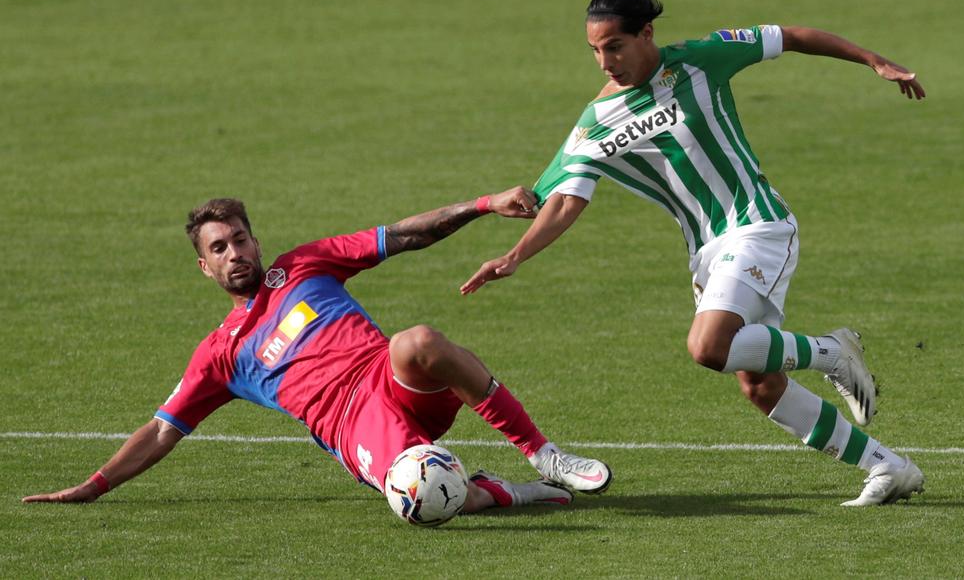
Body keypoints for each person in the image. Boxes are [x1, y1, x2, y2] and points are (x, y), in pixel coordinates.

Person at [461, 0, 926, 506]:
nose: (605, 62)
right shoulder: (594, 125)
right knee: (760, 385)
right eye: (595, 50)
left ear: (646, 33)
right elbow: (564, 200)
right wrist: (514, 254)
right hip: (706, 252)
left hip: (758, 225)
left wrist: (873, 60)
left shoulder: (702, 59)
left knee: (708, 347)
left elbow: (791, 35)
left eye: (614, 46)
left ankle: (831, 353)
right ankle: (888, 467)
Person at [23, 188, 612, 514]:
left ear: (257, 242)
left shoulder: (301, 266)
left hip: (388, 376)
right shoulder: (220, 354)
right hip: (352, 425)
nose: (235, 253)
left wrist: (483, 204)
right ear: (205, 266)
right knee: (426, 501)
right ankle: (500, 491)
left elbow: (404, 235)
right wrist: (94, 484)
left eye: (240, 239)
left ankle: (543, 455)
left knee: (419, 340)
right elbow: (161, 431)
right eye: (219, 248)